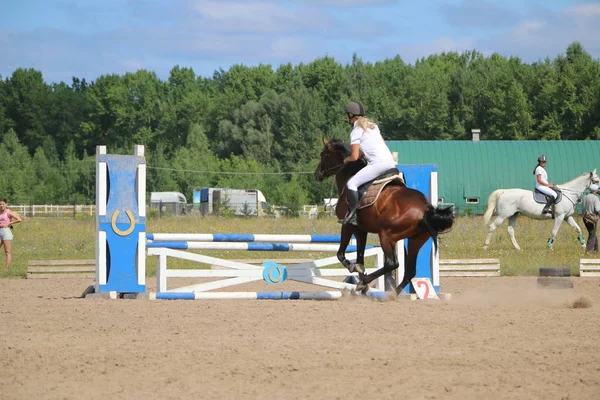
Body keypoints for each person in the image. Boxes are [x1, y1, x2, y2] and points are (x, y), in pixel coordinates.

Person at [341, 101, 396, 225]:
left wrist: (346, 159)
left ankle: (353, 217)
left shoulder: (356, 130)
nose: (346, 118)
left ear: (351, 115)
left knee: (351, 184)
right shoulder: (373, 126)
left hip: (378, 164)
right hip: (390, 162)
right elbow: (380, 145)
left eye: (347, 115)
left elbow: (354, 157)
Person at [0, 198, 23, 272]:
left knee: (7, 251)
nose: (1, 205)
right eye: (0, 204)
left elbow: (19, 219)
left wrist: (9, 223)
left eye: (3, 204)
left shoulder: (8, 212)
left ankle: (6, 269)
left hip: (6, 232)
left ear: (6, 204)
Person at [582, 184, 600, 252]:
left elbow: (583, 209)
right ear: (596, 191)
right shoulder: (596, 198)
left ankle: (596, 249)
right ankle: (589, 251)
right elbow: (598, 209)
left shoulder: (584, 197)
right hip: (592, 218)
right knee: (592, 234)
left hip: (585, 218)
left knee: (592, 233)